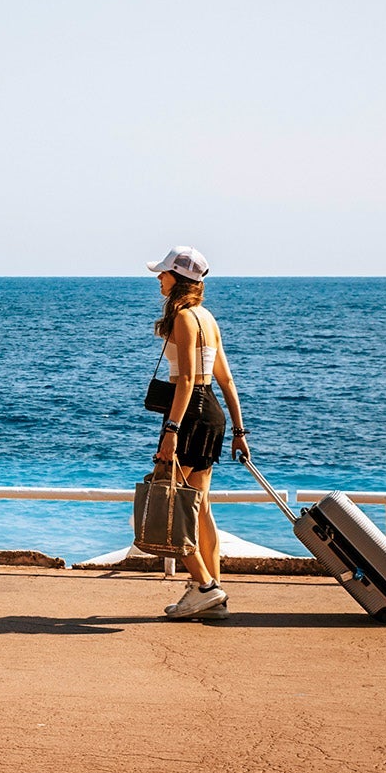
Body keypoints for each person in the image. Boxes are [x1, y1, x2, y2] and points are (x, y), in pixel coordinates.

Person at [146, 246, 249, 620]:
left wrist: (171, 430)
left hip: (188, 415)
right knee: (200, 507)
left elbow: (187, 379)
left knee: (168, 505)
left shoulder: (185, 318)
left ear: (177, 279)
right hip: (211, 415)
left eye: (163, 273)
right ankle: (212, 595)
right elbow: (226, 379)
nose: (159, 278)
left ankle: (204, 586)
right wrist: (238, 430)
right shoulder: (207, 318)